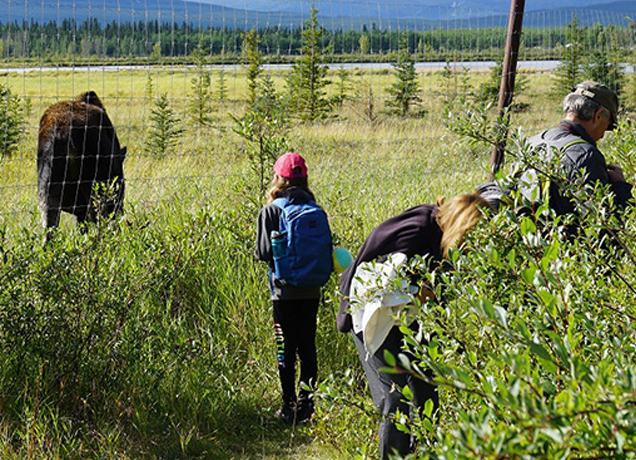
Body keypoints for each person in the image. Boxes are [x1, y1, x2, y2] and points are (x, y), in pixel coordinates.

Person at [336, 193, 488, 460]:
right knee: (395, 396)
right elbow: (375, 277)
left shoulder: (446, 244)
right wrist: (419, 293)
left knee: (427, 389)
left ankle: (424, 454)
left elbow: (440, 295)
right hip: (373, 313)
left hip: (408, 317)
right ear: (461, 223)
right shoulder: (418, 227)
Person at [255, 152, 328, 425]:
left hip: (283, 292)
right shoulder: (315, 208)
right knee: (307, 346)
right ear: (304, 178)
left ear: (278, 178)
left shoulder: (271, 210)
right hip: (312, 290)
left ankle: (287, 407)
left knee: (284, 348)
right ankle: (307, 405)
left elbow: (263, 253)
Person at [524, 80, 633, 217]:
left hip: (529, 235)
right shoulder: (587, 155)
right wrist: (620, 186)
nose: (603, 134)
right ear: (598, 115)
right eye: (608, 125)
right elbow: (602, 222)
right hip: (566, 237)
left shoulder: (532, 142)